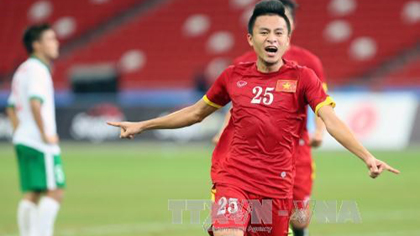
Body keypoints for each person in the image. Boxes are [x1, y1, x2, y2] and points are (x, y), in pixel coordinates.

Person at [107, 1, 399, 235]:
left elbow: (331, 119)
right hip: (234, 177)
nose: (271, 38)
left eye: (278, 33)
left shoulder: (303, 77)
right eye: (263, 32)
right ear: (250, 38)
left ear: (287, 39)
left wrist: (366, 156)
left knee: (298, 220)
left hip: (277, 185)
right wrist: (143, 125)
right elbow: (197, 112)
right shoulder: (233, 76)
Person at [211, 1, 326, 235]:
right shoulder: (244, 62)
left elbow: (324, 104)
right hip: (255, 153)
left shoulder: (309, 63)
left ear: (291, 24)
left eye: (282, 20)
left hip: (297, 146)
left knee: (299, 216)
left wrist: (320, 131)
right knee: (253, 215)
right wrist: (223, 130)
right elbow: (238, 106)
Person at [6, 23, 65, 236]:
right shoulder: (39, 69)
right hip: (39, 142)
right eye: (50, 39)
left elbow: (11, 107)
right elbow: (34, 103)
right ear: (36, 45)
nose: (56, 42)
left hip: (24, 138)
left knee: (33, 191)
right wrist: (44, 134)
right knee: (55, 190)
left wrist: (19, 132)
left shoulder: (22, 69)